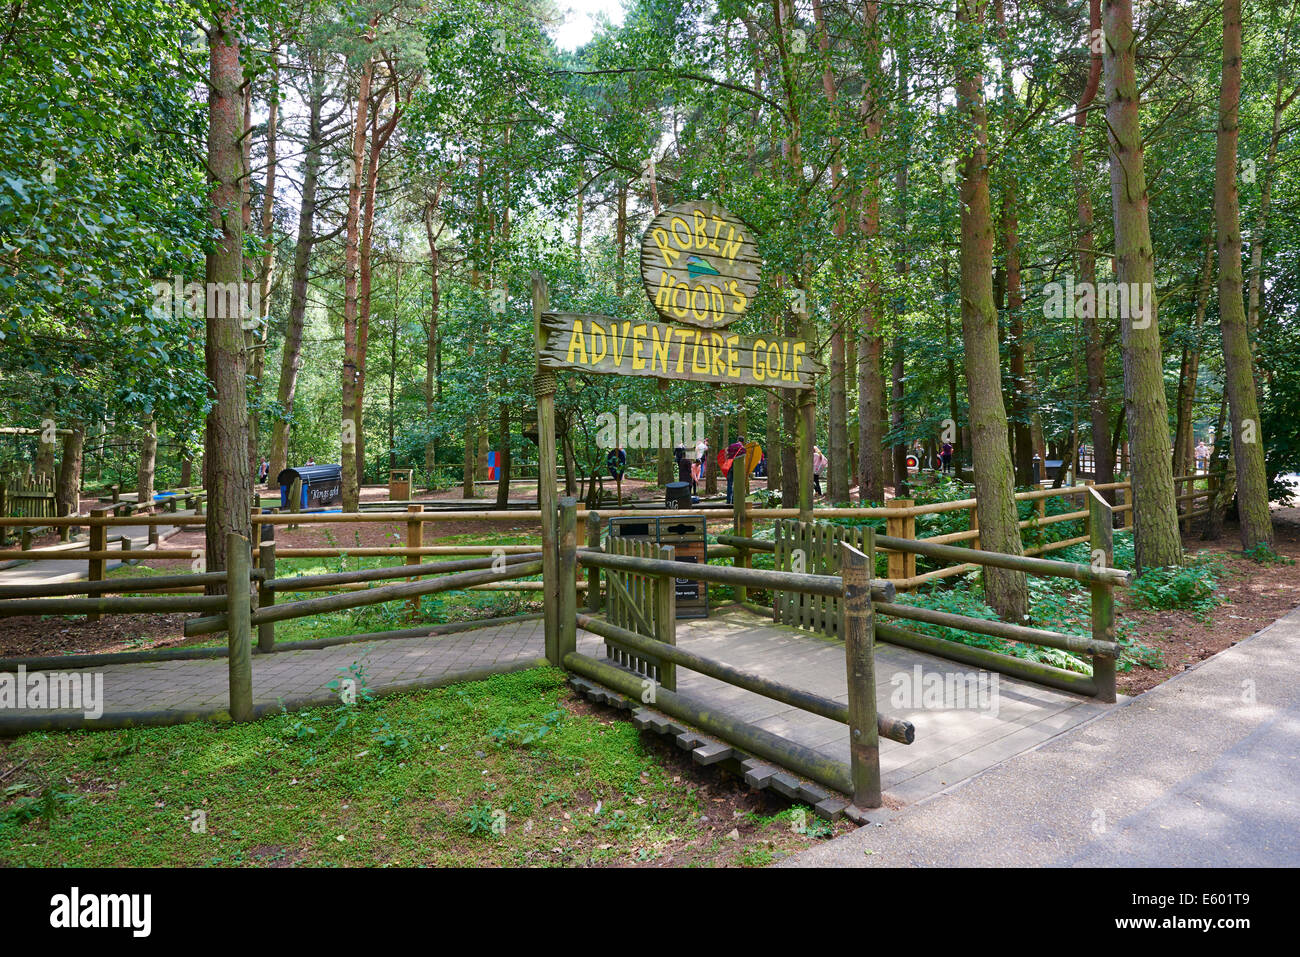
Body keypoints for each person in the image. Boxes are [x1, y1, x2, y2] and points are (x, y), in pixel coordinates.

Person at [724, 435, 745, 504]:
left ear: (737, 440)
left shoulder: (731, 446)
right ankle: (734, 501)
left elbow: (726, 452)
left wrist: (727, 459)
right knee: (736, 484)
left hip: (730, 466)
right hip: (738, 467)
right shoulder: (743, 449)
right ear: (743, 441)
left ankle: (728, 501)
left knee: (729, 483)